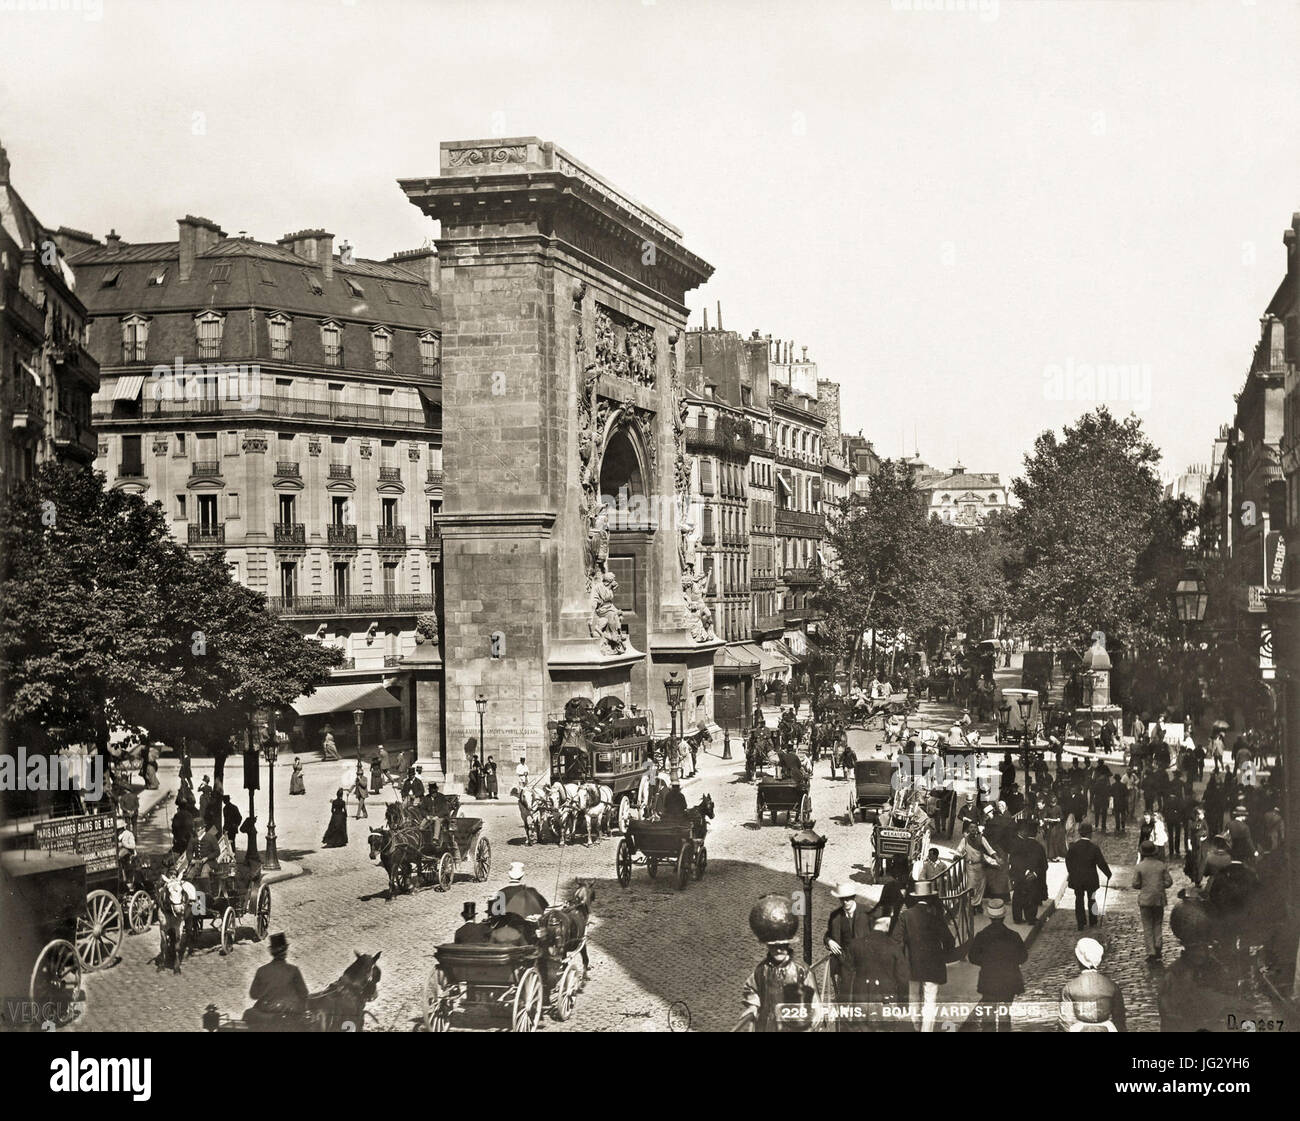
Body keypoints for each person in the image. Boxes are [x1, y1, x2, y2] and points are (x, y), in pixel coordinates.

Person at [893, 881, 954, 1032]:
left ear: (914, 898)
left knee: (913, 998)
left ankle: (915, 1027)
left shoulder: (905, 916)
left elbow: (896, 941)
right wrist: (943, 956)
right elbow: (949, 941)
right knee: (930, 1001)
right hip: (933, 966)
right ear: (930, 898)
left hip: (912, 964)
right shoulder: (936, 917)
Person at [847, 896, 911, 1031]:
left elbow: (847, 973)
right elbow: (903, 979)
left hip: (861, 999)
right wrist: (903, 1006)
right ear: (886, 923)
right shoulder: (894, 948)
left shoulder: (856, 945)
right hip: (886, 1001)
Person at [967, 899, 1026, 1031]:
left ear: (989, 916)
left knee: (988, 1016)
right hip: (1009, 980)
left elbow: (973, 957)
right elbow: (1023, 957)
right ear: (1004, 916)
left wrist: (987, 962)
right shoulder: (1014, 935)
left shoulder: (981, 936)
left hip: (989, 980)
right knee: (1005, 1016)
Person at [1058, 937, 1126, 1031]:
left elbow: (1065, 1021)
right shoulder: (1112, 986)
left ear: (1078, 960)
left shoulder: (1069, 988)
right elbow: (1119, 1019)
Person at [824, 882, 874, 999]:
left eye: (847, 899)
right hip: (845, 961)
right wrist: (829, 941)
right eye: (842, 899)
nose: (845, 902)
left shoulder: (867, 913)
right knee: (846, 995)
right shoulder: (835, 915)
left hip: (864, 962)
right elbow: (828, 934)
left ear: (853, 898)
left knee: (863, 996)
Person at [247, 933, 308, 1019]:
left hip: (267, 1012)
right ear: (285, 951)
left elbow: (253, 995)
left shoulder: (262, 970)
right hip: (290, 1013)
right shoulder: (293, 970)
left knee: (248, 1014)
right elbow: (304, 993)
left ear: (272, 952)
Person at [1066, 822, 1111, 931]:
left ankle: (1080, 923)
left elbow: (1068, 862)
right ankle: (1093, 920)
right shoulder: (1094, 848)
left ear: (1080, 833)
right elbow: (1101, 863)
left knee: (1079, 899)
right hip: (1091, 879)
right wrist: (1108, 873)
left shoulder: (1073, 847)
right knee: (1092, 899)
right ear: (1090, 834)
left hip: (1077, 879)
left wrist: (1072, 873)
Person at [1133, 840, 1173, 963]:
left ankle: (1151, 951)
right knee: (1157, 923)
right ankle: (1158, 946)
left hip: (1145, 899)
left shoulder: (1139, 867)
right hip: (1158, 899)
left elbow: (1135, 884)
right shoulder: (1161, 865)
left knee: (1147, 925)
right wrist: (1159, 885)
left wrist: (1144, 886)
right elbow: (1169, 882)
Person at [1010, 821, 1048, 926]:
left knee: (1018, 895)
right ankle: (1030, 918)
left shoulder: (1018, 844)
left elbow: (1014, 861)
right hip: (1033, 877)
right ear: (1036, 833)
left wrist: (1024, 872)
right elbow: (1044, 865)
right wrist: (1034, 873)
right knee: (1032, 896)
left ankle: (1017, 918)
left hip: (1020, 875)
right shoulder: (1039, 847)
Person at [1042, 793, 1067, 861]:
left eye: (1054, 803)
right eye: (1052, 803)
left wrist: (1059, 819)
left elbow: (1061, 816)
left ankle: (1059, 854)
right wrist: (1047, 819)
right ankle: (1053, 855)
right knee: (1052, 839)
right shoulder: (1048, 808)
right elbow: (1044, 816)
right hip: (1051, 826)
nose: (1053, 804)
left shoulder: (1058, 807)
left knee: (1058, 840)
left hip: (1058, 826)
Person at [1090, 767, 1111, 833]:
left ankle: (1096, 826)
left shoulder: (1097, 782)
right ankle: (1103, 826)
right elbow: (1109, 791)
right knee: (1104, 814)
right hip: (1104, 800)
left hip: (1097, 799)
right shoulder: (1107, 783)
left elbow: (1093, 791)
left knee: (1097, 813)